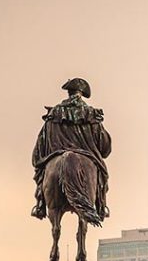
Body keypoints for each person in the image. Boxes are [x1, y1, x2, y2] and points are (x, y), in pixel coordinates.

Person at [32, 78, 111, 222]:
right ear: (82, 94)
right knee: (102, 175)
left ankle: (40, 205)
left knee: (43, 173)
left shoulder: (53, 114)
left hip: (56, 155)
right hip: (86, 155)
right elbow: (105, 148)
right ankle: (101, 205)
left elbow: (38, 149)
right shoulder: (91, 115)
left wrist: (41, 161)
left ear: (69, 93)